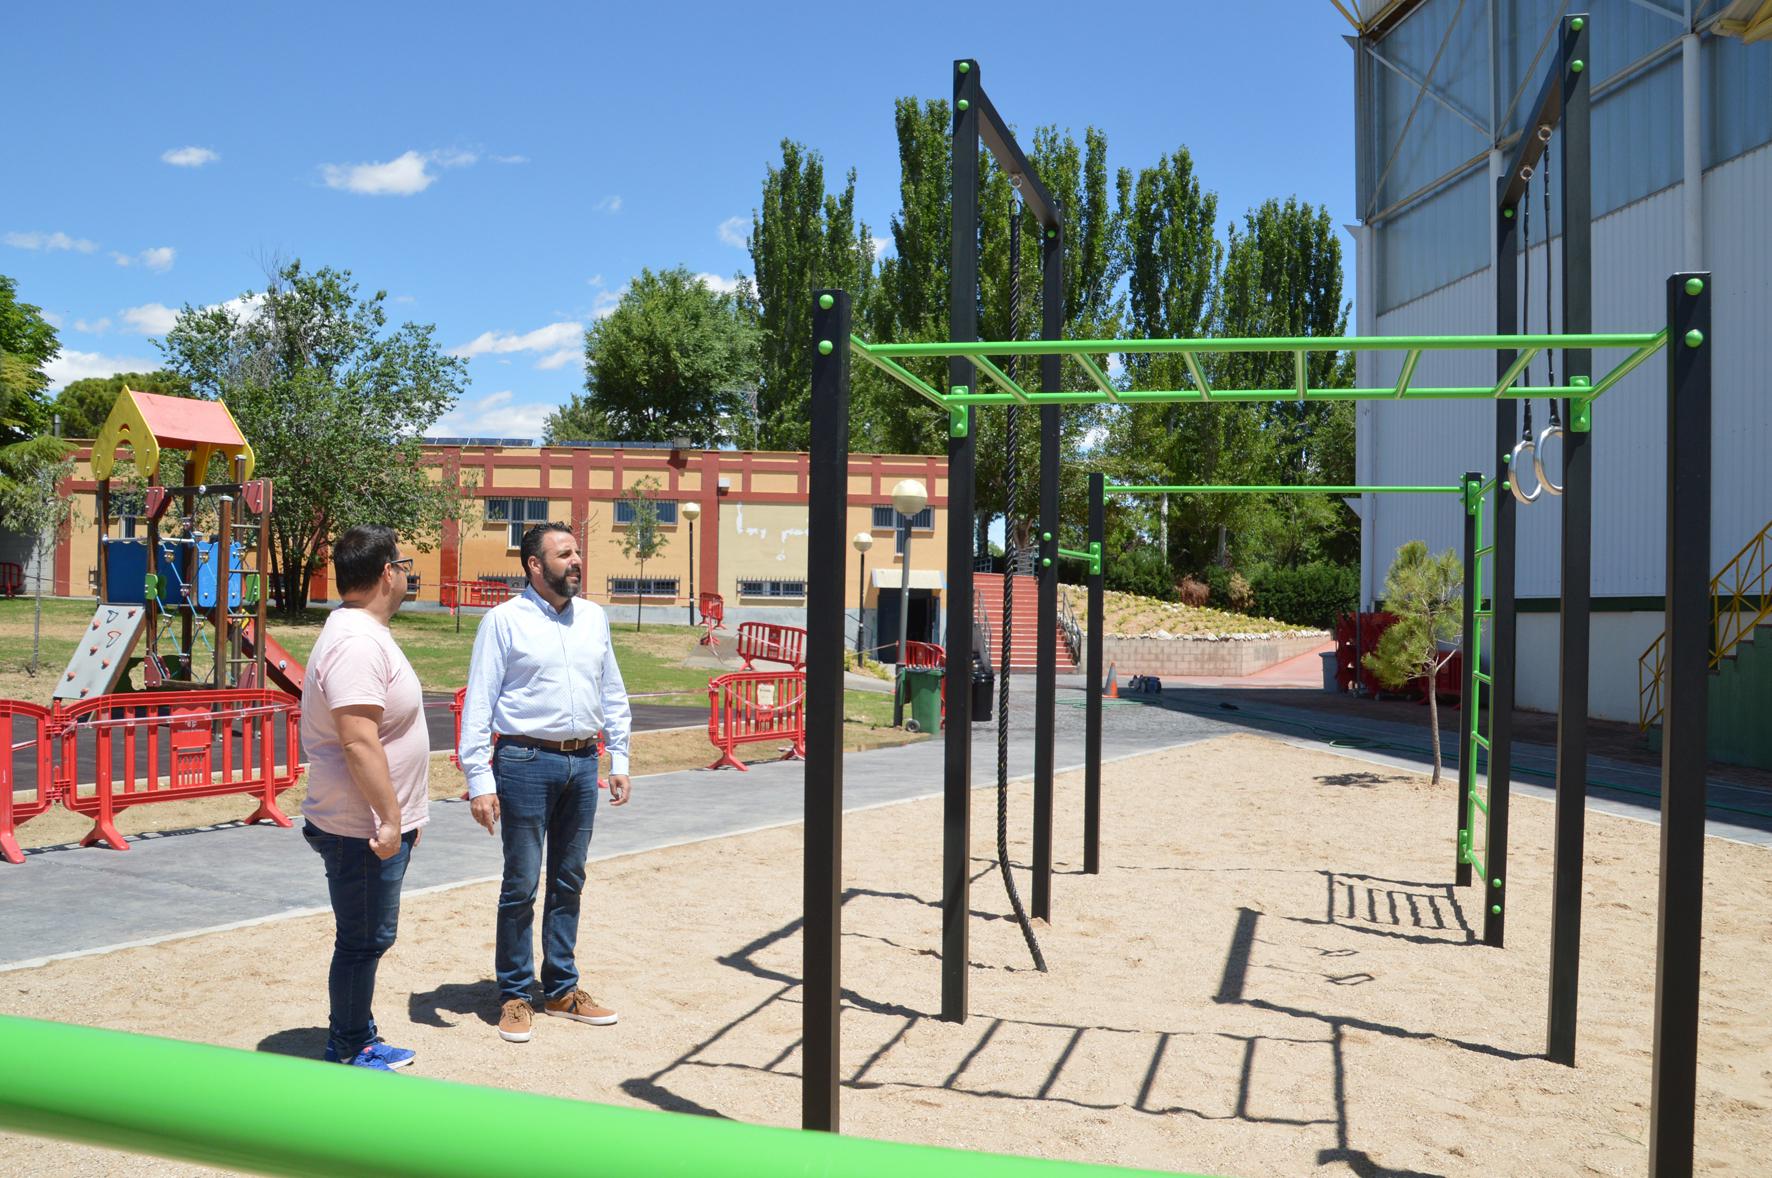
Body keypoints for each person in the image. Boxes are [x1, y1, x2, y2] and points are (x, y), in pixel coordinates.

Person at [459, 521, 632, 1044]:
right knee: (521, 883)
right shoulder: (503, 621)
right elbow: (480, 702)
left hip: (582, 763)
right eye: (564, 554)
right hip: (524, 762)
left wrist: (619, 757)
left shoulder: (594, 618)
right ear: (535, 565)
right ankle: (515, 993)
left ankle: (560, 989)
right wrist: (479, 779)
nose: (576, 561)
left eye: (577, 552)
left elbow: (612, 689)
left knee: (569, 880)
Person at [300, 525, 430, 1071]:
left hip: (368, 823)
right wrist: (392, 818)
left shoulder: (363, 632)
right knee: (362, 939)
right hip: (360, 826)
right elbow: (357, 739)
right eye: (403, 564)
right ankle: (350, 1044)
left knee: (368, 935)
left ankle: (356, 1032)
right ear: (386, 573)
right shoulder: (356, 642)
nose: (407, 574)